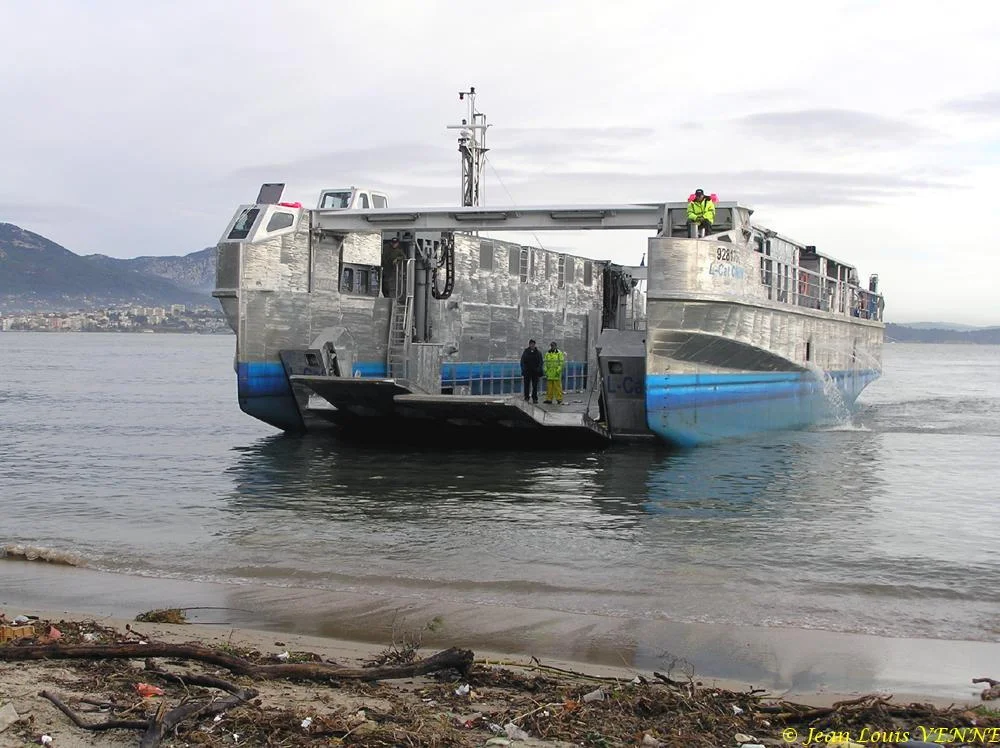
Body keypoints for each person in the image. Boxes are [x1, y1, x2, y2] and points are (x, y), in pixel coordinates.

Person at [519, 339, 543, 403]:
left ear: (535, 344)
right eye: (531, 344)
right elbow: (522, 361)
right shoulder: (526, 352)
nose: (532, 345)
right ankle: (526, 397)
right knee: (526, 385)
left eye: (533, 344)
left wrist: (538, 369)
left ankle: (534, 398)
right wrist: (523, 369)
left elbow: (541, 362)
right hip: (527, 371)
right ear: (529, 344)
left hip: (535, 372)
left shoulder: (538, 352)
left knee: (535, 386)